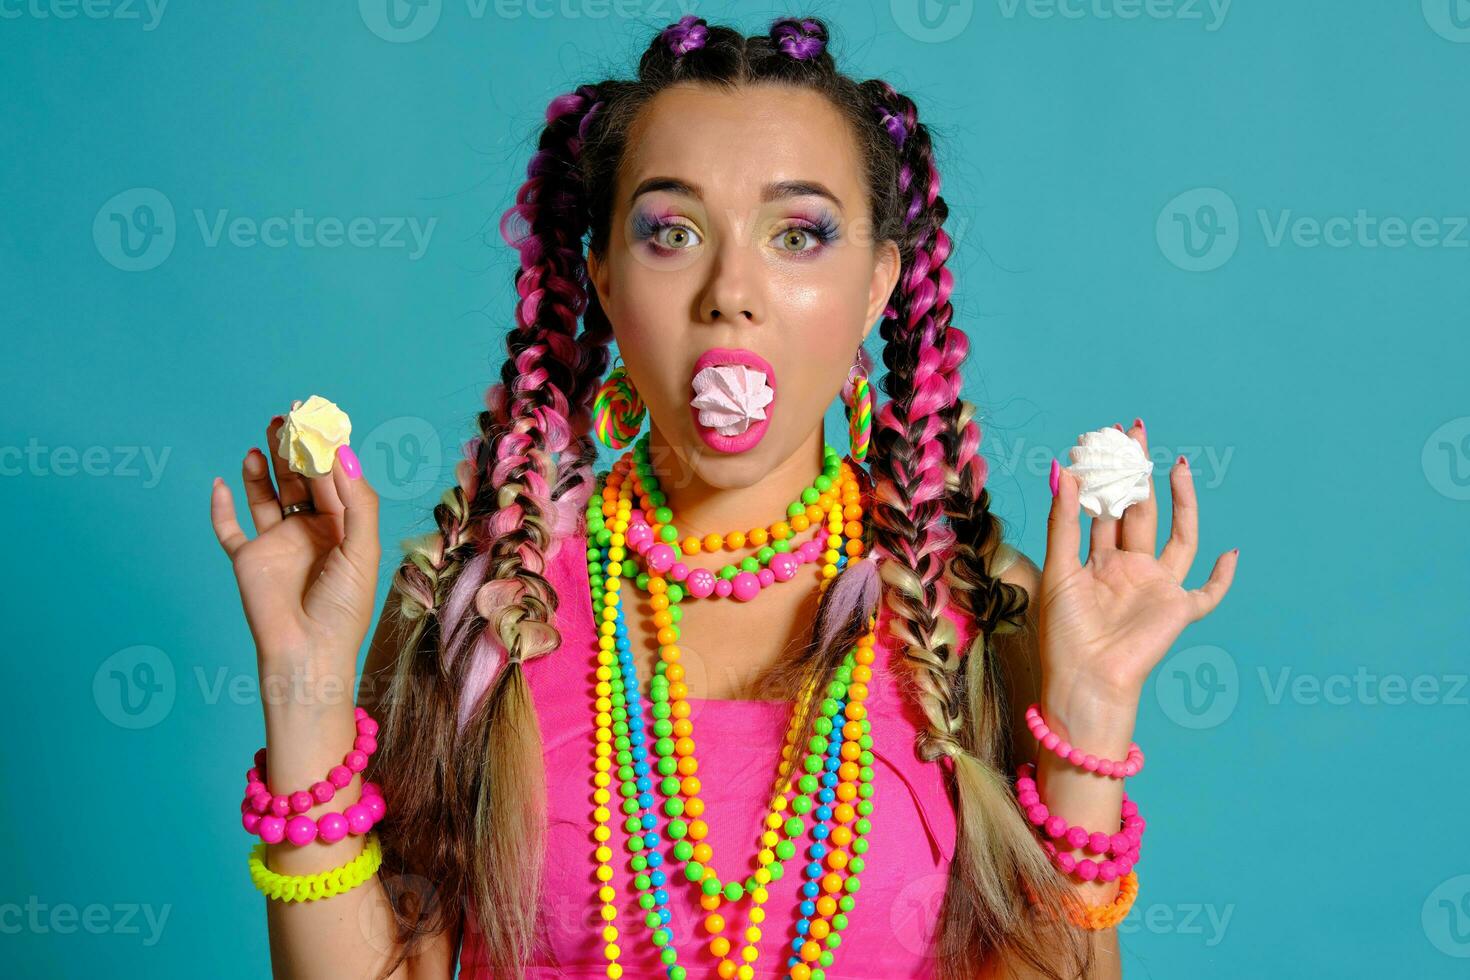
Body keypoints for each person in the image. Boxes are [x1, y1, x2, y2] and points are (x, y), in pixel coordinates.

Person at [209, 14, 1237, 979]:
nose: (729, 290)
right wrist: (303, 686)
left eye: (799, 234)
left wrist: (1092, 718)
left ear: (880, 283)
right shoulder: (485, 608)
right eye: (671, 231)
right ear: (604, 278)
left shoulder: (976, 613)